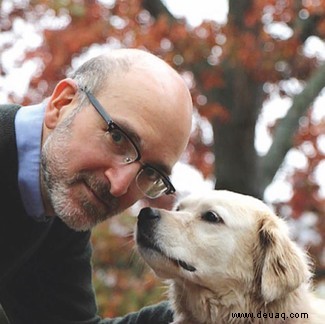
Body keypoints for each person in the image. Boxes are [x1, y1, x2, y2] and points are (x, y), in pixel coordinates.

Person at [0, 48, 193, 324]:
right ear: (62, 103)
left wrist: (204, 310)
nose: (119, 186)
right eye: (117, 137)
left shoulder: (58, 208)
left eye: (150, 173)